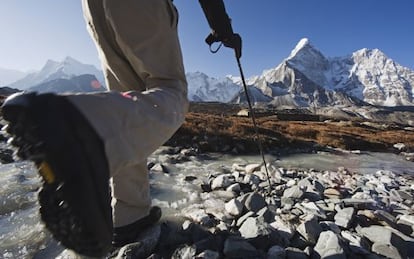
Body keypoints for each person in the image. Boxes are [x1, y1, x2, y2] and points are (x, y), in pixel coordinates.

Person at [1, 0, 241, 257]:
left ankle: (129, 214)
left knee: (126, 100)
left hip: (92, 7)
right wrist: (222, 28)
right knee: (173, 92)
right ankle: (85, 132)